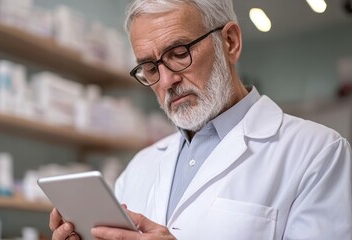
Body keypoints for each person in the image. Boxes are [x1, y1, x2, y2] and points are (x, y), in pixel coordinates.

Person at [50, 0, 352, 239]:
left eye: (179, 53)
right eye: (150, 67)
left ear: (230, 42)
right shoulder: (138, 168)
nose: (167, 80)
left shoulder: (318, 153)